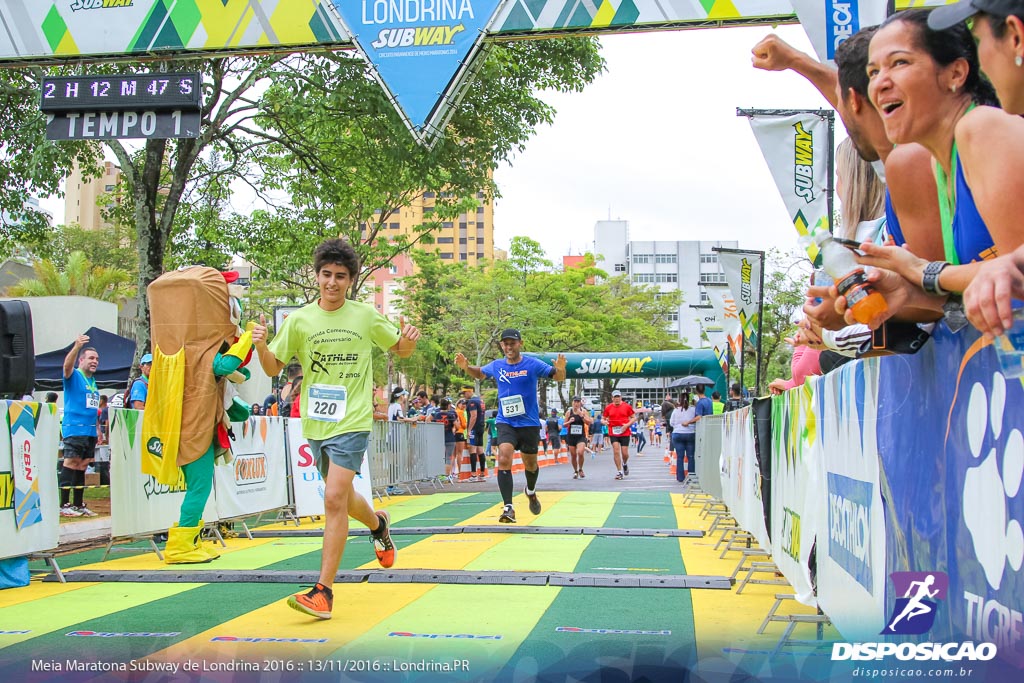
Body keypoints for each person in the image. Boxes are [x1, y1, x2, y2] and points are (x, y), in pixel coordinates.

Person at [252, 238, 420, 619]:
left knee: (331, 498)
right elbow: (272, 368)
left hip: (354, 419)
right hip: (316, 421)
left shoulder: (363, 316)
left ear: (350, 281)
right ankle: (378, 524)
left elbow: (401, 351)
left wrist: (408, 340)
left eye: (340, 276)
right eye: (326, 275)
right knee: (340, 498)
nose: (331, 282)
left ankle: (323, 591)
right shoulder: (299, 320)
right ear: (316, 276)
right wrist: (262, 345)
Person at [847, 10, 1024, 325]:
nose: (880, 84)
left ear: (955, 74)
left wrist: (921, 271)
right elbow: (993, 290)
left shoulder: (982, 128)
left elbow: (1016, 276)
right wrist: (908, 293)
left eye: (899, 63)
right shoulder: (941, 164)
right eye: (873, 72)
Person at [455, 328, 566, 523]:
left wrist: (562, 369)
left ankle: (530, 491)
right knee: (504, 457)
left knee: (530, 464)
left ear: (520, 344)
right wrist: (466, 367)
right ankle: (508, 507)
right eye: (505, 344)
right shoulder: (497, 365)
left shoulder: (532, 364)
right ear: (501, 346)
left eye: (512, 343)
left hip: (529, 423)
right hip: (506, 421)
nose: (508, 347)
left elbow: (557, 376)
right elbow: (480, 373)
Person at [60, 334, 100, 517]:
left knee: (83, 464)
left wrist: (98, 429)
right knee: (71, 461)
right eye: (91, 358)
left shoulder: (93, 382)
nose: (95, 362)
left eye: (97, 359)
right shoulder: (75, 375)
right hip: (74, 427)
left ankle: (78, 503)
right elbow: (66, 367)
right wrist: (76, 347)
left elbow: (93, 407)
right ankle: (64, 504)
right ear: (81, 360)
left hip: (90, 429)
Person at [603, 390, 636, 480]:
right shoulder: (608, 408)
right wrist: (605, 422)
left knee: (625, 453)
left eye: (618, 397)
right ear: (612, 398)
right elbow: (603, 418)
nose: (617, 399)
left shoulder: (627, 406)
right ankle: (619, 471)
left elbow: (633, 418)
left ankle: (624, 463)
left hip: (624, 431)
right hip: (613, 432)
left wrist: (627, 425)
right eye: (615, 397)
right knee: (616, 451)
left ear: (620, 397)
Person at [670, 394, 698, 482]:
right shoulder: (693, 409)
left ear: (679, 400)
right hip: (690, 434)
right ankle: (691, 477)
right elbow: (696, 420)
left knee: (680, 457)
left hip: (678, 434)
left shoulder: (676, 410)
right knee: (691, 456)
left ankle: (680, 477)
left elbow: (671, 423)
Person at [564, 396, 593, 479]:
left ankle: (580, 469)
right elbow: (564, 425)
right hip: (571, 436)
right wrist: (569, 421)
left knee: (580, 452)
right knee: (573, 455)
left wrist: (582, 416)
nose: (576, 404)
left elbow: (588, 423)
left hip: (581, 436)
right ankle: (575, 471)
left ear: (580, 403)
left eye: (578, 402)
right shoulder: (569, 412)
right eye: (575, 402)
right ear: (572, 402)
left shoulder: (583, 411)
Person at [463, 386, 487, 482]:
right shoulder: (480, 401)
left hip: (475, 427)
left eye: (465, 393)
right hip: (481, 426)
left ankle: (473, 475)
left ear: (469, 392)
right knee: (480, 449)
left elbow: (473, 416)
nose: (464, 395)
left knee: (472, 449)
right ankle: (482, 474)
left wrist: (469, 429)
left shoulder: (472, 402)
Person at [93, 394, 111, 487]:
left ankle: (107, 479)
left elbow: (107, 423)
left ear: (103, 400)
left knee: (105, 457)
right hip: (104, 434)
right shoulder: (106, 410)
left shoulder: (104, 410)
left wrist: (106, 436)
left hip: (104, 434)